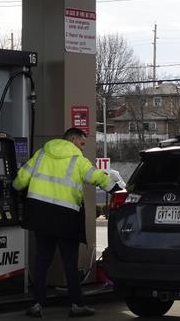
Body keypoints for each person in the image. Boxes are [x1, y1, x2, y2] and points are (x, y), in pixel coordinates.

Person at [13, 127, 124, 318]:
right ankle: (77, 305)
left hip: (41, 215)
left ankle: (37, 304)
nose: (82, 147)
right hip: (66, 217)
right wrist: (117, 190)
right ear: (72, 139)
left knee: (42, 261)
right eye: (81, 143)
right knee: (70, 264)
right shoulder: (77, 160)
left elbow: (21, 179)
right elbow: (96, 177)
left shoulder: (41, 154)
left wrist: (13, 187)